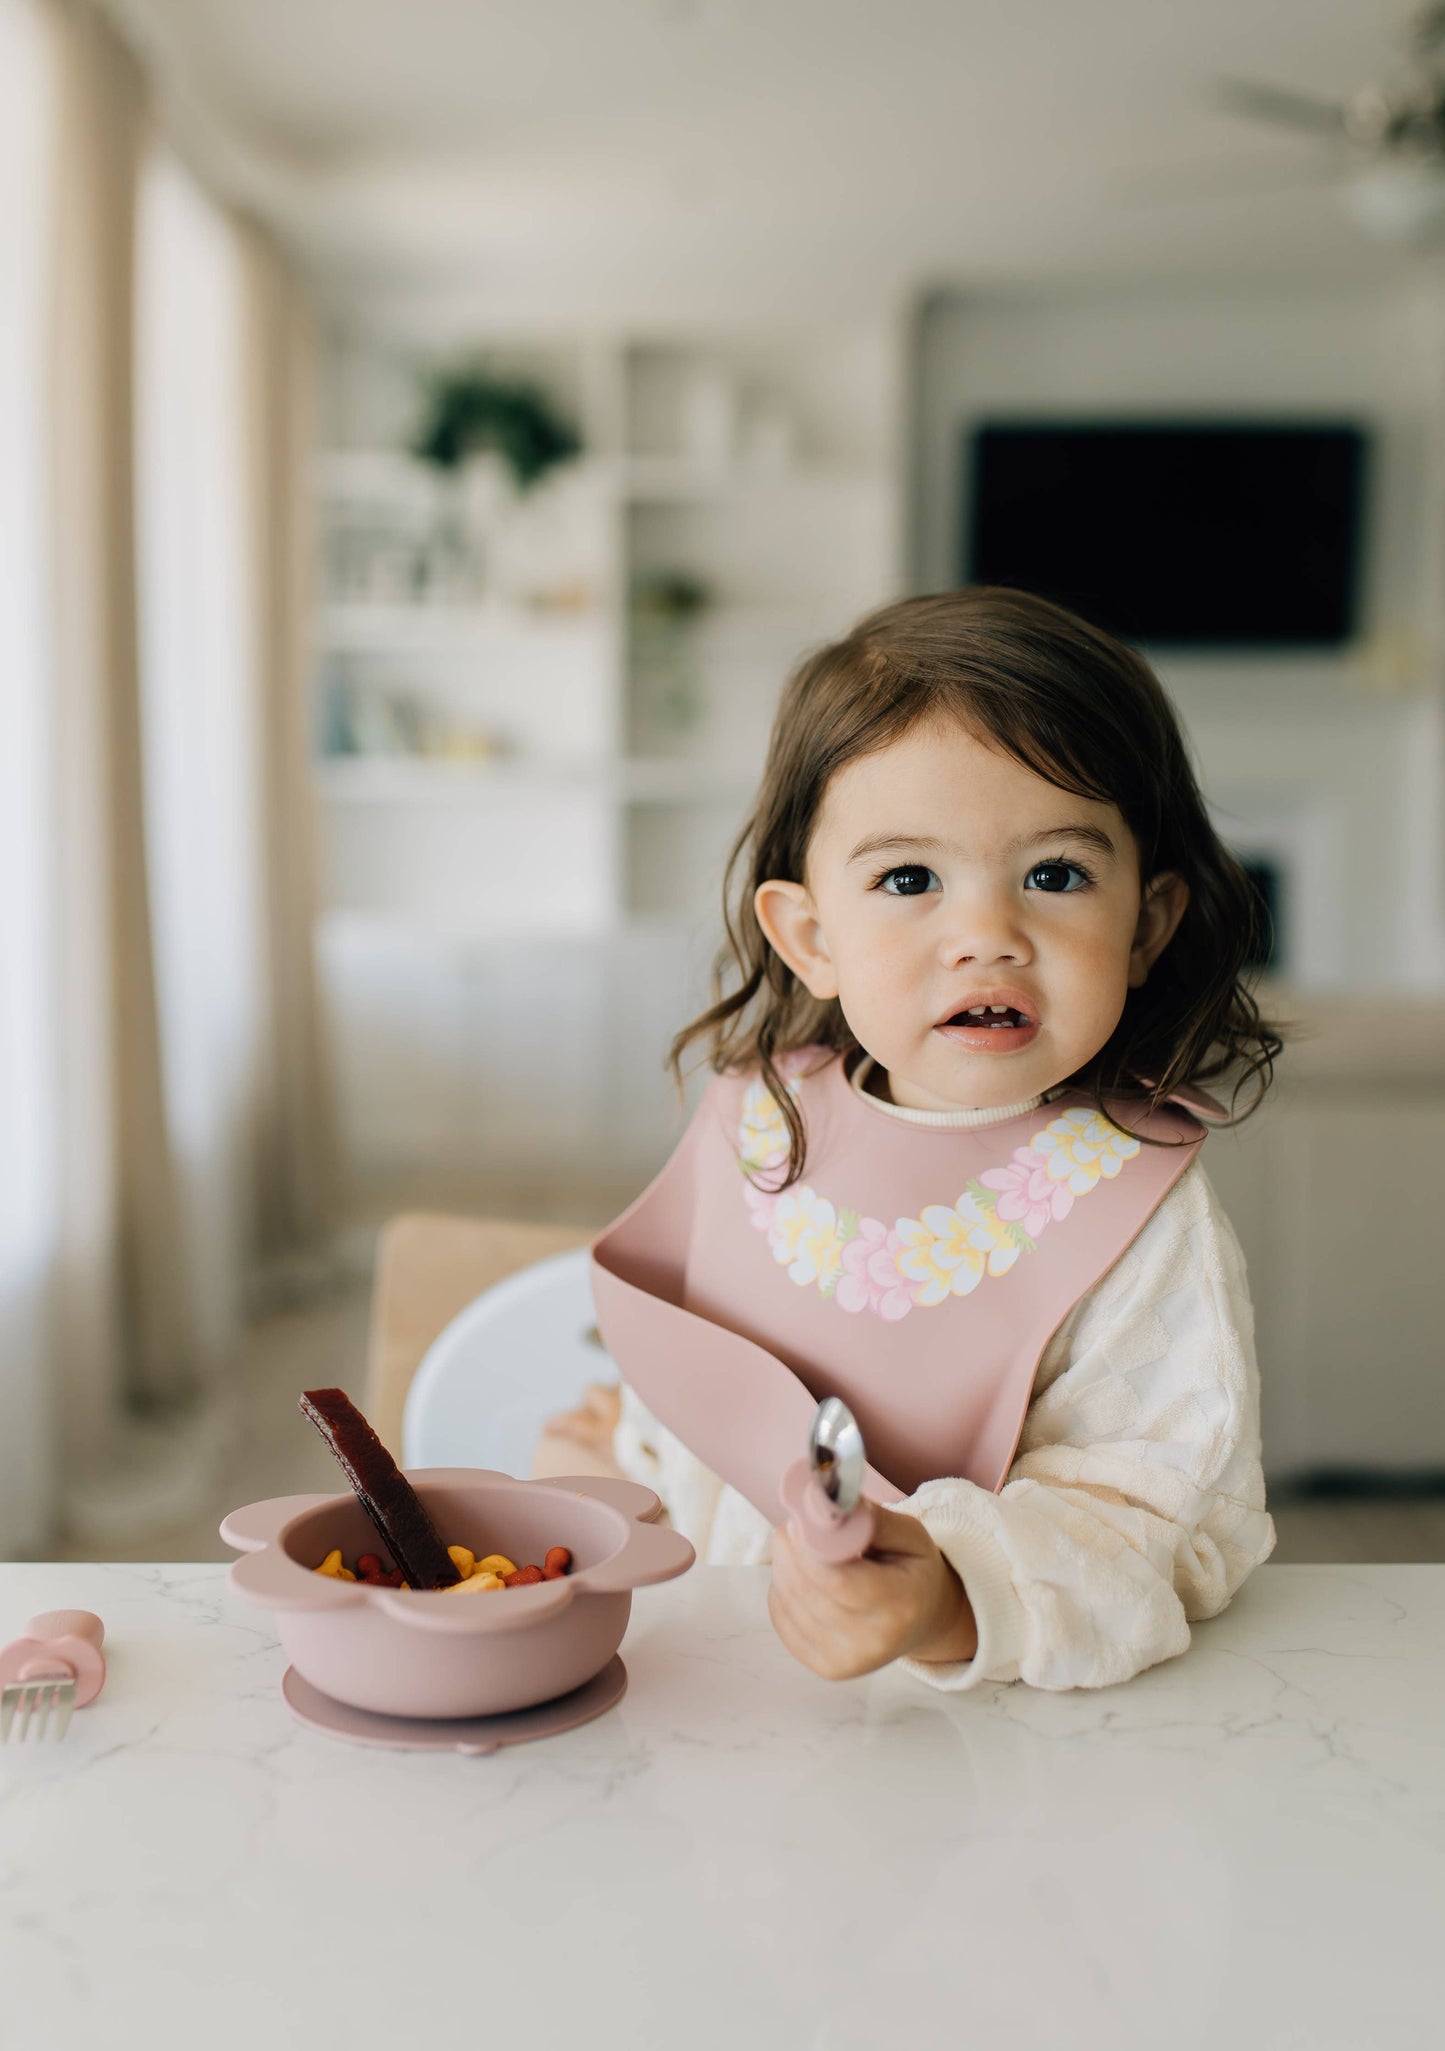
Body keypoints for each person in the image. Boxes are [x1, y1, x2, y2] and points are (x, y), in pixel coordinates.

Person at [534, 586, 1283, 1692]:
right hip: (702, 1688)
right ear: (809, 935)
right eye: (907, 878)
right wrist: (623, 1449)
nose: (987, 935)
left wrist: (940, 1597)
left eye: (1055, 874)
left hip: (960, 1730)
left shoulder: (1139, 1209)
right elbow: (699, 1367)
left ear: (1146, 922)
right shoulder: (758, 1114)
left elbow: (1151, 1524)